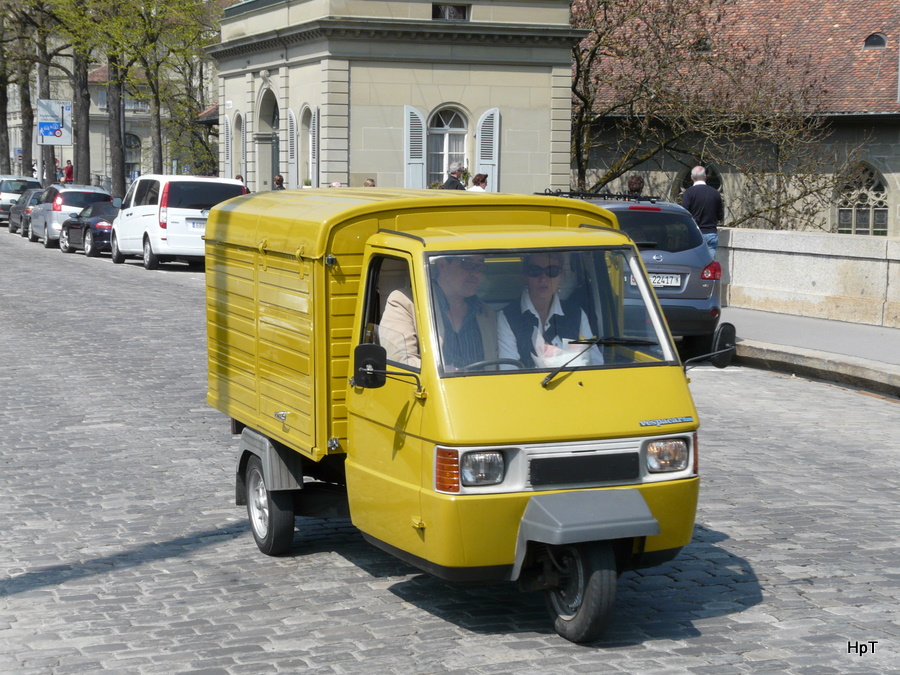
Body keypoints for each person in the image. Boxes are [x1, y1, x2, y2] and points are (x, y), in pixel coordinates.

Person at [379, 254, 497, 370]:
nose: (476, 273)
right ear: (442, 265)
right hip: (433, 383)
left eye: (480, 266)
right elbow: (399, 360)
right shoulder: (406, 302)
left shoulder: (486, 313)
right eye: (467, 264)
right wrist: (442, 371)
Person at [498, 252, 602, 369]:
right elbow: (508, 369)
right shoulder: (507, 317)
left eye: (552, 271)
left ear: (561, 275)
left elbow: (595, 362)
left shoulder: (577, 314)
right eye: (535, 271)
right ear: (525, 275)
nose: (543, 278)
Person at [681, 166, 723, 253]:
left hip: (694, 233)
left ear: (692, 177)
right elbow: (720, 215)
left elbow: (684, 214)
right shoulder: (715, 193)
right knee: (710, 260)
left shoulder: (688, 193)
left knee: (694, 260)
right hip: (711, 233)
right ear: (705, 176)